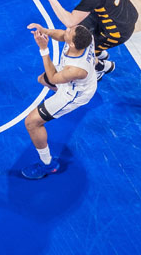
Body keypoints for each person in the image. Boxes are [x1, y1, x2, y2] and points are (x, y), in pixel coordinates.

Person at [33, 0, 139, 79]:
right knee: (75, 31)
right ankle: (99, 52)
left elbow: (70, 21)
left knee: (79, 46)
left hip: (116, 30)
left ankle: (99, 67)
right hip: (117, 13)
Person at [20, 23, 97, 180]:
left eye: (69, 31)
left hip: (73, 94)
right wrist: (45, 31)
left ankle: (48, 164)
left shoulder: (76, 69)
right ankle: (101, 66)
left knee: (31, 123)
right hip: (70, 78)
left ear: (72, 44)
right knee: (42, 79)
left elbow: (55, 78)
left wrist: (43, 48)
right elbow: (62, 35)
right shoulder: (85, 39)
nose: (66, 30)